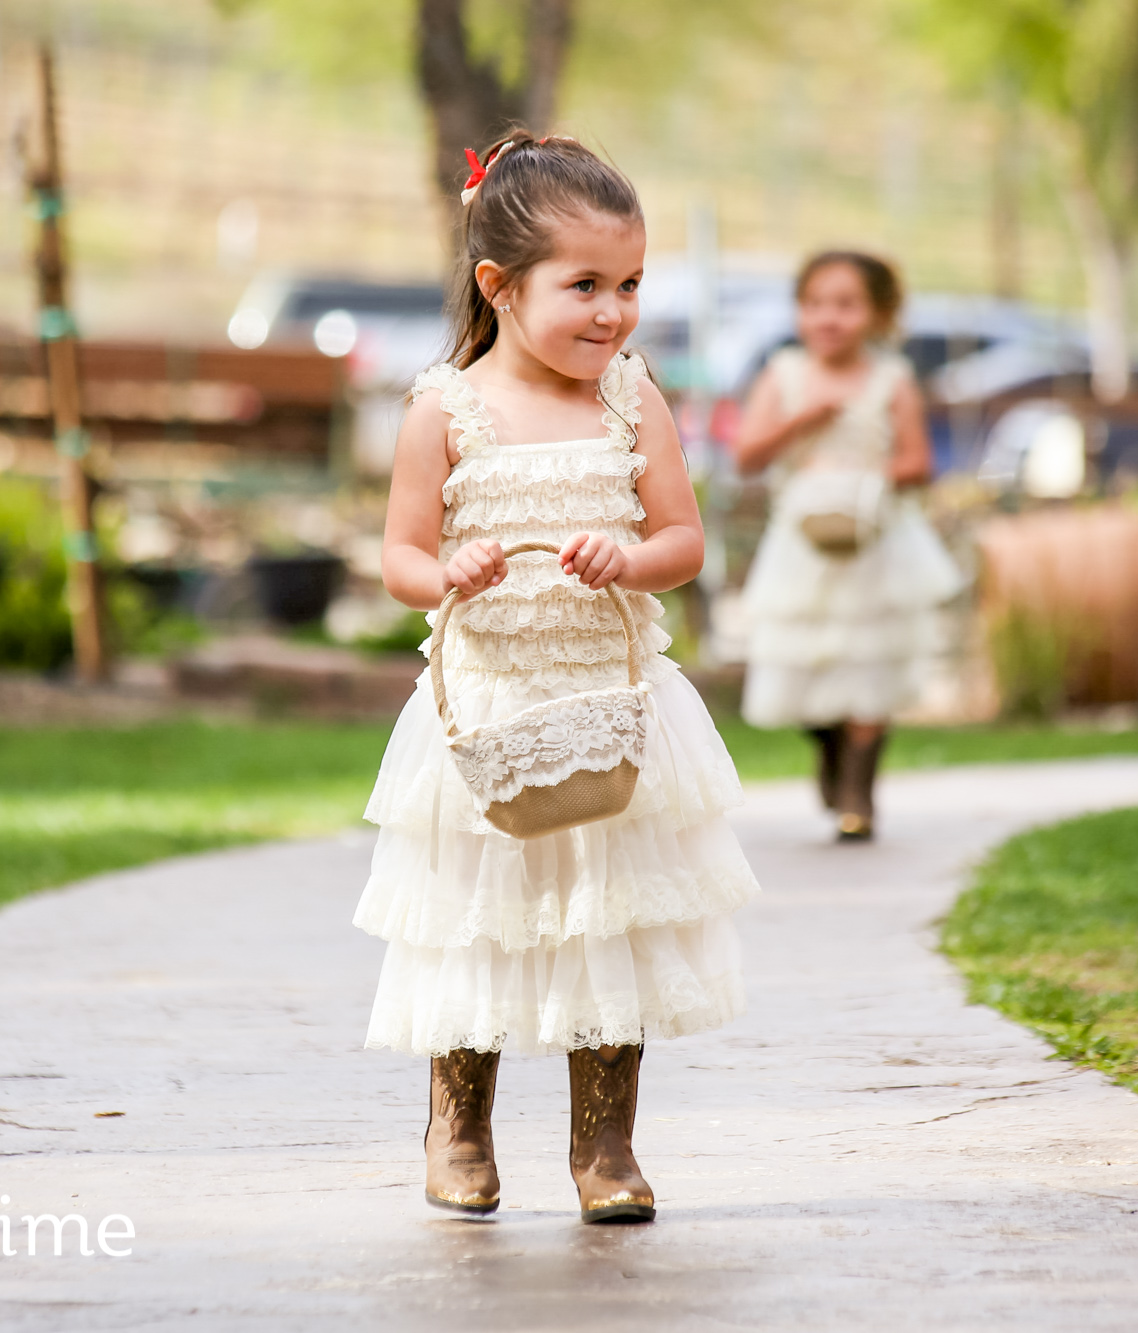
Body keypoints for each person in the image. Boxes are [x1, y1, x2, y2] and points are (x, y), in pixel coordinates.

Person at [359, 132, 759, 1225]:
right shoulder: (442, 409)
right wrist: (444, 572)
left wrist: (630, 561)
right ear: (498, 286)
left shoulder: (630, 399)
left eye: (629, 284)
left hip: (612, 706)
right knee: (473, 916)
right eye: (584, 285)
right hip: (488, 703)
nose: (612, 312)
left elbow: (683, 538)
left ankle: (604, 1144)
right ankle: (458, 1124)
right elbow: (397, 556)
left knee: (607, 916)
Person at [732, 252, 964, 842]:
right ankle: (828, 743)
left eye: (845, 305)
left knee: (871, 662)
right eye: (814, 305)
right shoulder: (783, 374)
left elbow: (919, 462)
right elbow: (748, 454)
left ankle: (858, 793)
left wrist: (869, 474)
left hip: (874, 541)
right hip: (803, 546)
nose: (827, 319)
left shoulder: (892, 380)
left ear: (878, 315)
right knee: (806, 660)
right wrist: (800, 423)